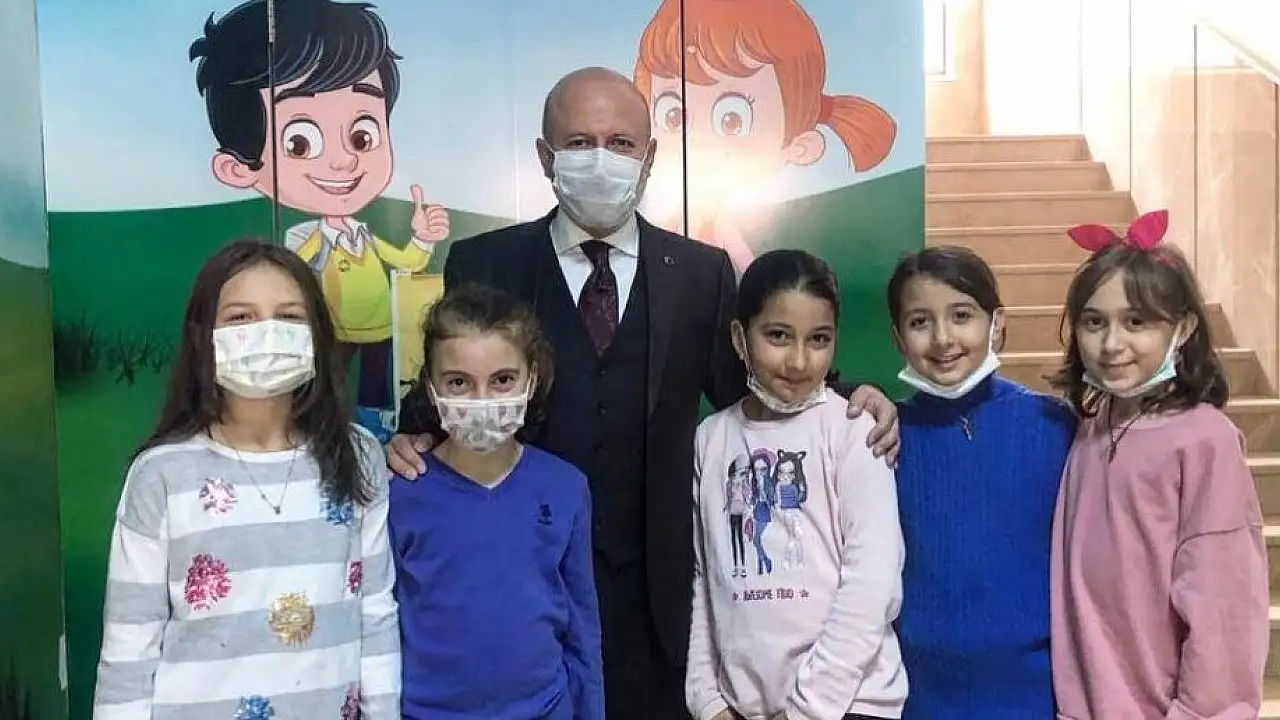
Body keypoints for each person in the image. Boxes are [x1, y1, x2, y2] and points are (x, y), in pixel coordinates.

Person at [385, 66, 901, 720]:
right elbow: (445, 395)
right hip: (528, 589)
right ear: (545, 157)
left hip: (660, 600)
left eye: (621, 143)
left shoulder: (700, 272)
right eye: (579, 143)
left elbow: (754, 384)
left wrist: (852, 394)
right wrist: (407, 440)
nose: (601, 158)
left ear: (650, 157)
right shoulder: (485, 262)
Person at [92, 240, 399, 719]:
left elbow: (375, 613)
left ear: (317, 335)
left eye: (289, 316)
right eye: (241, 317)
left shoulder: (357, 456)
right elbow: (129, 648)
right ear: (202, 337)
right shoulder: (162, 474)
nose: (268, 332)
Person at [191, 0, 452, 442]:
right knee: (330, 385)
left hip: (380, 331)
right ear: (238, 169)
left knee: (377, 394)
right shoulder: (303, 240)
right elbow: (295, 272)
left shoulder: (365, 235)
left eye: (363, 135)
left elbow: (406, 262)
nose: (344, 160)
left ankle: (375, 432)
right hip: (337, 332)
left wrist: (423, 239)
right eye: (300, 142)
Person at [1049, 211, 1268, 718]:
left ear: (1183, 328)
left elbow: (1223, 611)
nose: (1112, 344)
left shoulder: (1205, 441)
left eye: (1137, 322)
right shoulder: (1093, 423)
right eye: (1094, 322)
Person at [687, 249, 905, 720]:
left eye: (819, 339)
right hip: (744, 708)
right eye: (778, 336)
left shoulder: (854, 430)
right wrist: (707, 700)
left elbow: (872, 583)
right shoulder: (711, 438)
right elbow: (705, 579)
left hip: (851, 705)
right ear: (739, 338)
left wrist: (808, 709)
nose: (799, 360)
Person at [389, 283, 603, 719]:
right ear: (431, 387)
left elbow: (583, 631)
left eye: (503, 380)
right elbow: (376, 625)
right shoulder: (400, 490)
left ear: (532, 379)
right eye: (459, 382)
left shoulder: (565, 487)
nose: (482, 400)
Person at [888, 246, 1074, 719]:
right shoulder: (884, 436)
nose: (943, 338)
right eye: (920, 322)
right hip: (914, 694)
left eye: (962, 316)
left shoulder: (1055, 426)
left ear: (998, 324)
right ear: (898, 338)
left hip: (1033, 692)